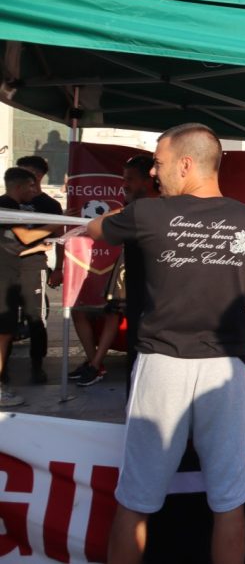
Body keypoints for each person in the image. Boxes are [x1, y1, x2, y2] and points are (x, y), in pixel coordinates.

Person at [87, 124, 245, 564]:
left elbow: (98, 229)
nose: (154, 173)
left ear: (185, 163)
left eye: (158, 163)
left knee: (137, 499)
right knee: (229, 499)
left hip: (162, 365)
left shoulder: (147, 214)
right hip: (226, 369)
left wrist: (96, 221)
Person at [70, 155, 160, 387]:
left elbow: (96, 227)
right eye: (123, 179)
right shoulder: (132, 210)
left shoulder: (149, 210)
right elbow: (98, 228)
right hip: (136, 295)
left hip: (156, 304)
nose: (124, 185)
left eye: (129, 179)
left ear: (149, 180)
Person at [0, 168, 58, 406]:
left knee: (6, 332)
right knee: (3, 333)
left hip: (10, 274)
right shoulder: (7, 205)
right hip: (4, 277)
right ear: (20, 186)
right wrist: (54, 225)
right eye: (31, 186)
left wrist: (39, 248)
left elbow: (15, 246)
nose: (35, 191)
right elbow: (23, 237)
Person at [13, 155, 64, 384]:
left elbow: (61, 238)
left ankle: (37, 365)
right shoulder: (6, 202)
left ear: (38, 175)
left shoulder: (50, 205)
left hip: (33, 266)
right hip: (6, 268)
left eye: (25, 173)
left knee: (36, 318)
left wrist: (59, 268)